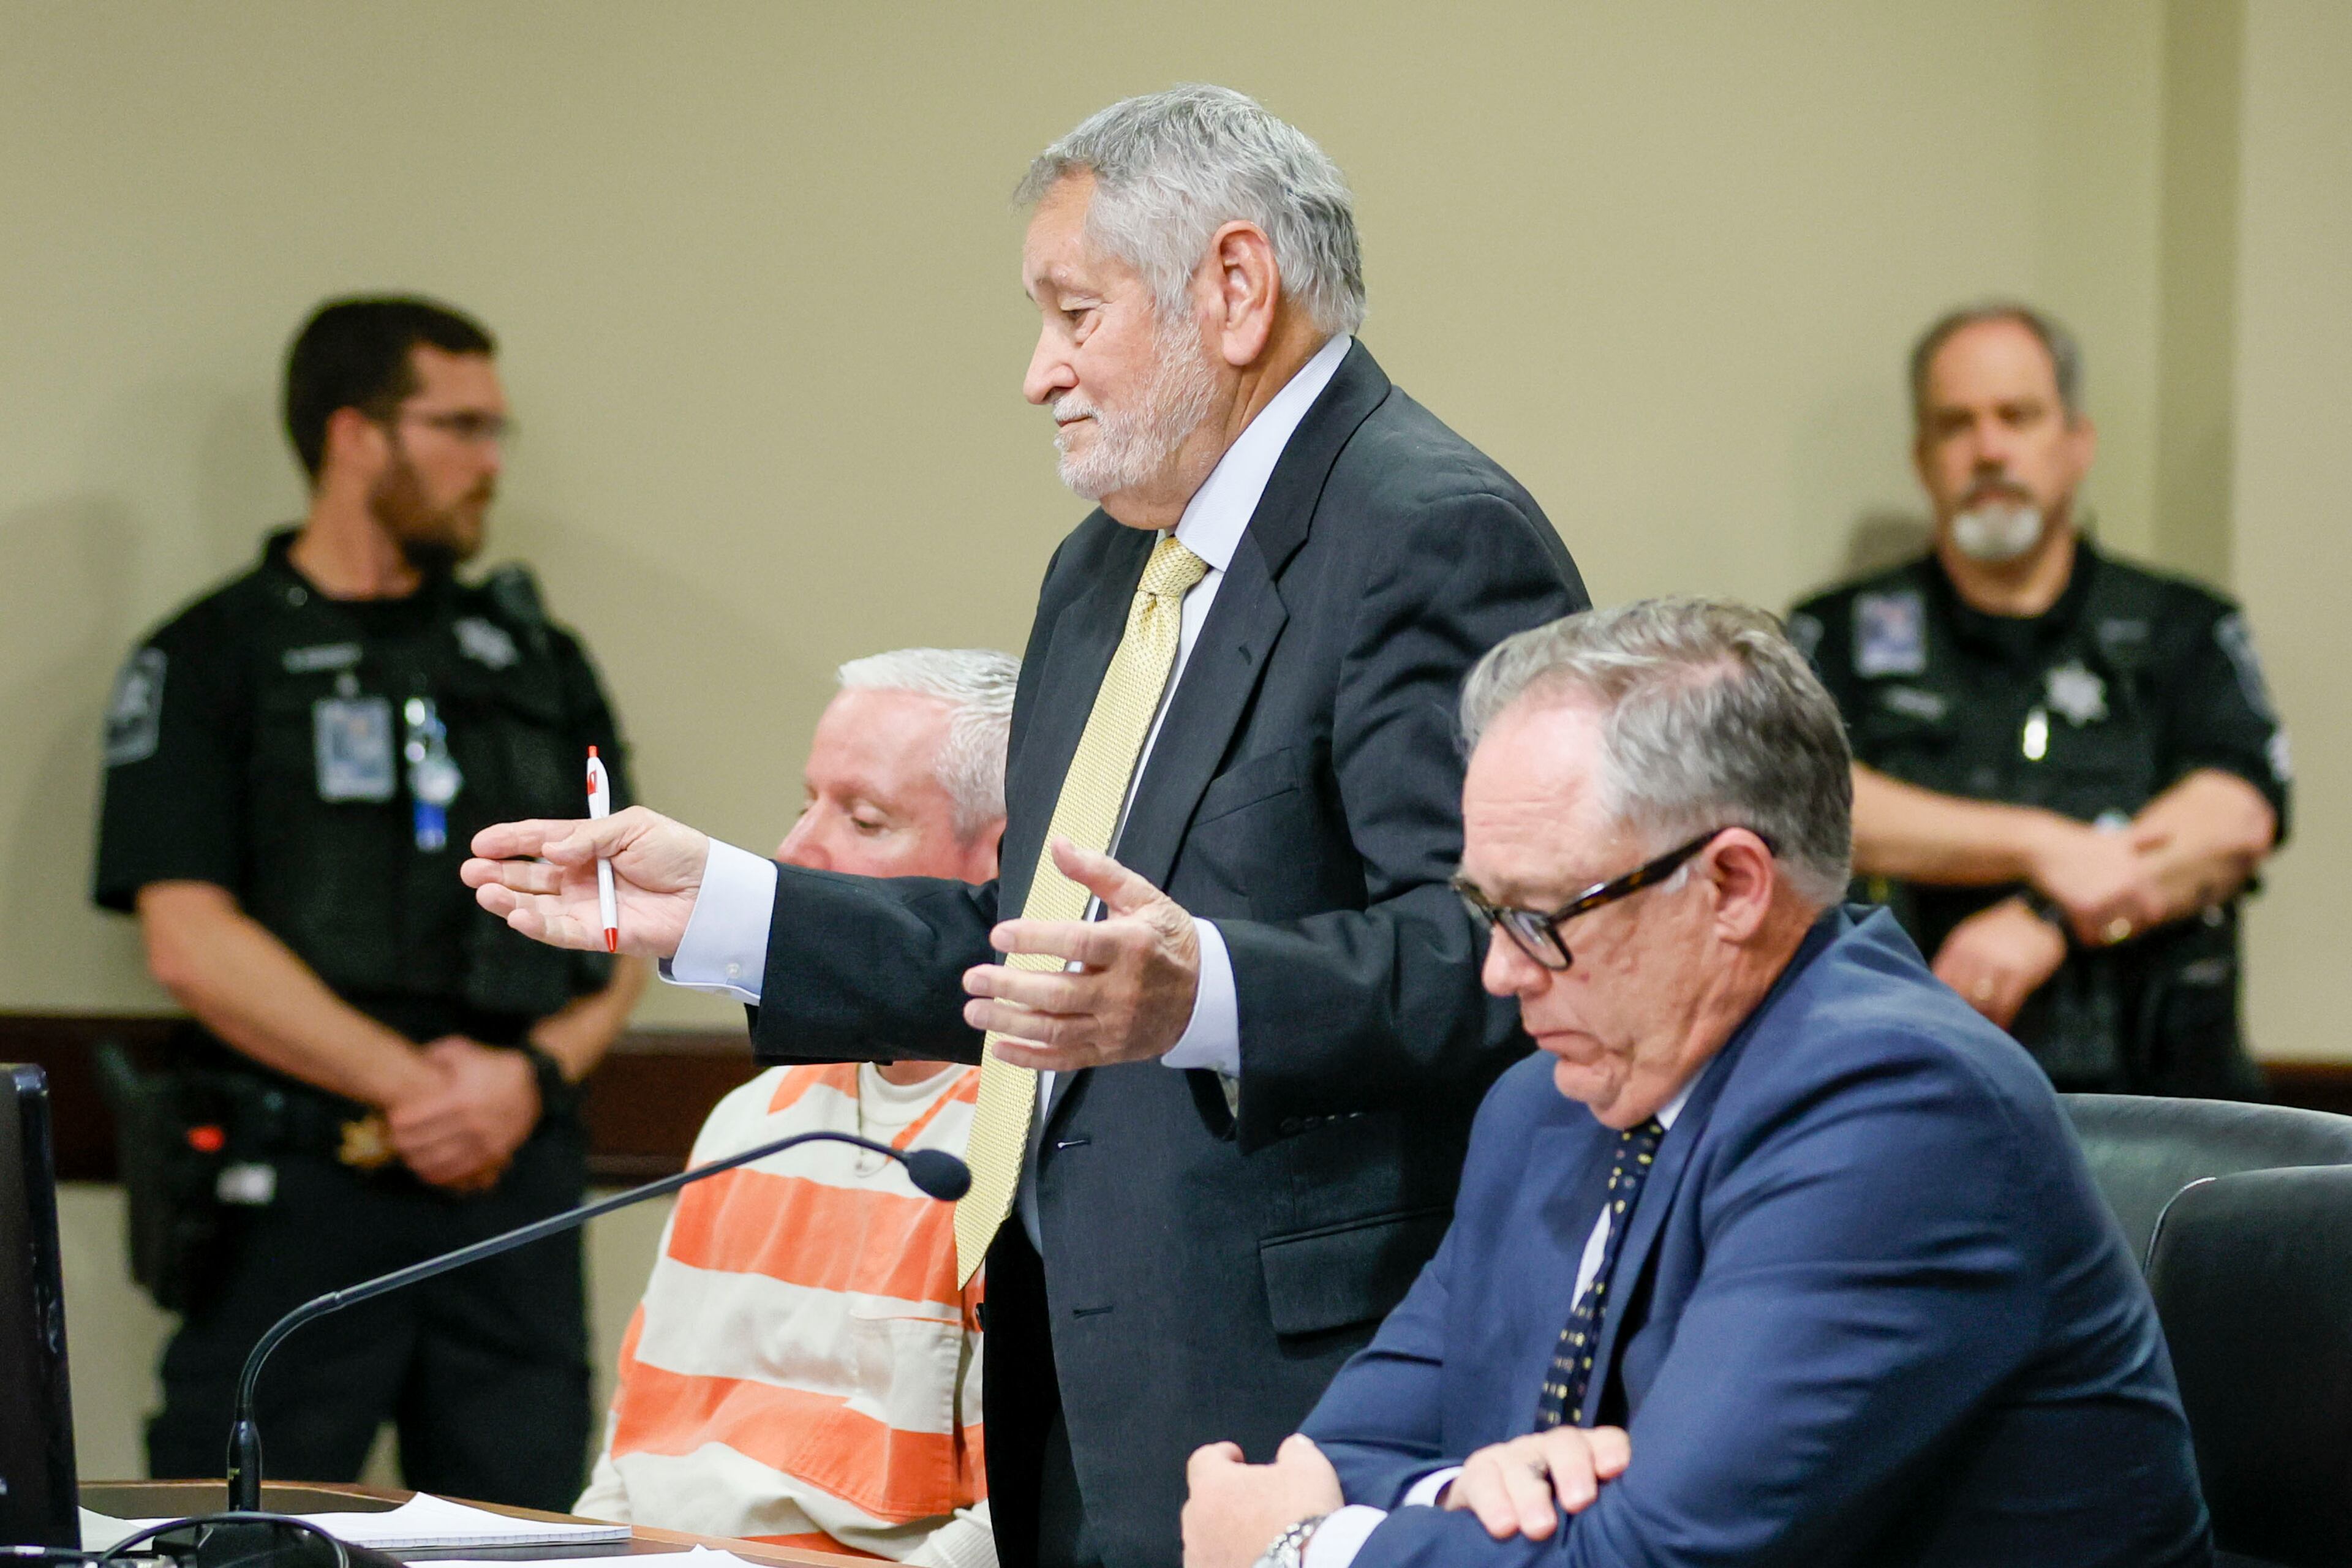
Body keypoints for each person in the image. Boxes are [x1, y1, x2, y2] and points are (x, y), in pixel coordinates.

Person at [464, 86, 1585, 1567]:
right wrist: (728, 909)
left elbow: (1503, 945)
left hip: (1311, 1375)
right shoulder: (1101, 570)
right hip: (1075, 1364)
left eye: (1073, 312)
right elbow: (1025, 951)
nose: (1037, 373)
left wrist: (1211, 992)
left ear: (1235, 290)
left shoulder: (1427, 531)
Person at [1181, 598, 2211, 1568]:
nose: (1501, 970)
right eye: (1483, 912)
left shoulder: (1898, 1108)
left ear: (1731, 885)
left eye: (1542, 916)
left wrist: (1313, 1551)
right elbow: (1347, 1452)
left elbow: (1652, 1554)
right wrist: (1457, 1491)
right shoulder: (1543, 1105)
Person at [92, 296, 644, 1507]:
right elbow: (187, 940)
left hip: (512, 1181)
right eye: (459, 426)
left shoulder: (538, 664)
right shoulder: (209, 658)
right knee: (237, 1529)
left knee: (525, 1532)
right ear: (355, 435)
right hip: (299, 1184)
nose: (491, 462)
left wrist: (519, 1083)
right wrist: (414, 1090)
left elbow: (623, 926)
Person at [575, 648, 1014, 1567]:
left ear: (998, 869)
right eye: (803, 801)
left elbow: (1016, 1525)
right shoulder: (752, 1118)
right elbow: (628, 1467)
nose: (793, 854)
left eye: (863, 818)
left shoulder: (1041, 1141)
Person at [1788, 303, 2288, 1096]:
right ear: (1923, 458)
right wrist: (2040, 845)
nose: (1988, 449)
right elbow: (1802, 802)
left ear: (2076, 443)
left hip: (2164, 1107)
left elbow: (2237, 819)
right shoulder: (1839, 634)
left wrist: (2046, 916)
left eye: (2017, 417)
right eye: (1957, 426)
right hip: (1904, 1094)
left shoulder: (2182, 628)